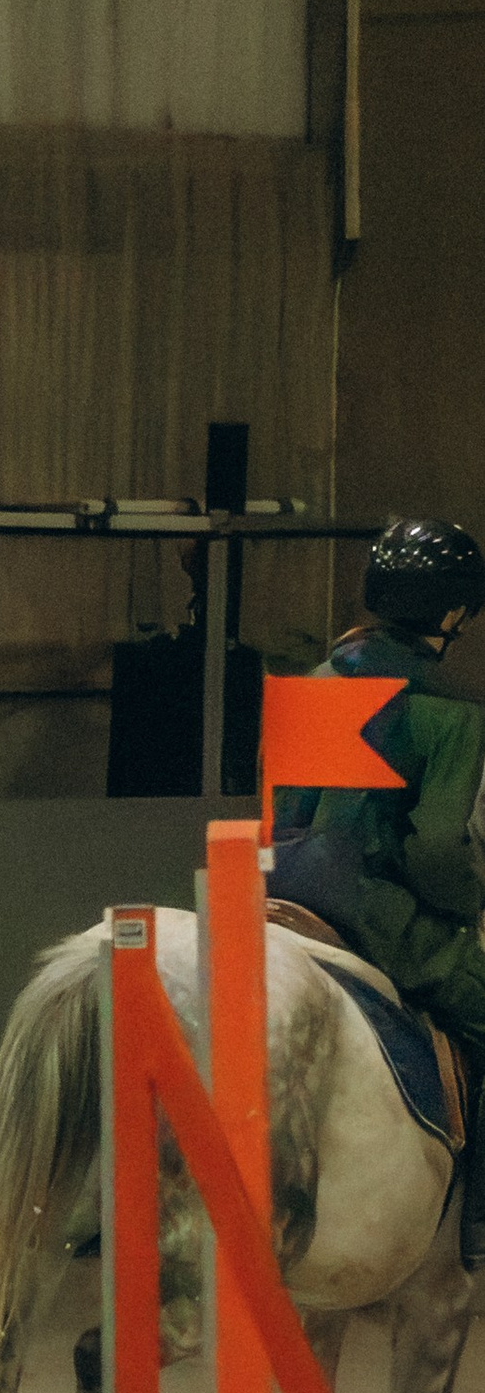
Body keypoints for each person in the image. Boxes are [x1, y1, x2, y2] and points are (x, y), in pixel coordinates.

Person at [271, 515, 485, 1265]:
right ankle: (481, 1217)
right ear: (455, 613)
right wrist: (469, 905)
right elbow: (434, 851)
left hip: (271, 896)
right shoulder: (451, 713)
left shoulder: (311, 681)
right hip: (368, 913)